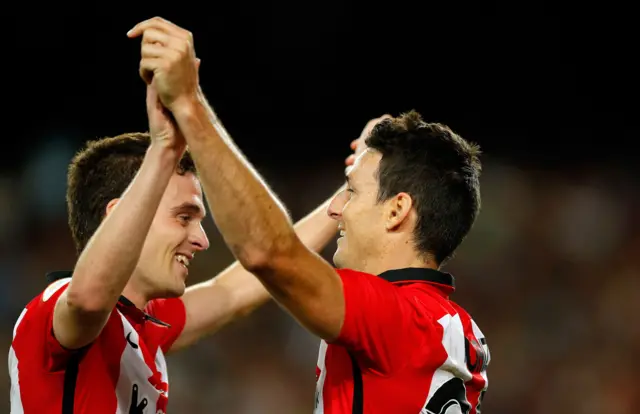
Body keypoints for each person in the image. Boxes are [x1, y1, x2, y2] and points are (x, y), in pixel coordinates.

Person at [128, 16, 491, 414]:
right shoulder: (453, 328)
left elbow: (269, 253)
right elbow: (235, 292)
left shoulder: (393, 315)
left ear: (398, 210)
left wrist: (189, 105)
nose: (337, 209)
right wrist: (363, 174)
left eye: (350, 194)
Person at [8, 78, 350, 412]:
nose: (201, 240)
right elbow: (88, 298)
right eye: (184, 218)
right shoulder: (55, 307)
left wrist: (349, 196)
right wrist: (163, 151)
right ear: (121, 217)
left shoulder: (145, 322)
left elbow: (238, 288)